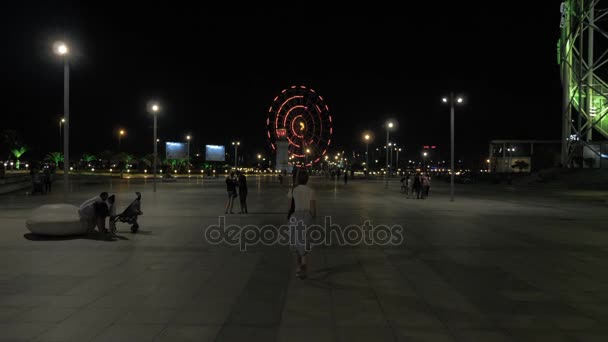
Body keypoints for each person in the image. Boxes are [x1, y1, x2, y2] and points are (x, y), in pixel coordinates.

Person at [287, 170, 317, 279]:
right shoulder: (311, 191)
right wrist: (313, 217)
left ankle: (299, 266)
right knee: (304, 241)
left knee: (295, 241)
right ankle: (303, 266)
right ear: (307, 179)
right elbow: (313, 209)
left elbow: (290, 206)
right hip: (307, 217)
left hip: (295, 216)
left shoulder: (293, 190)